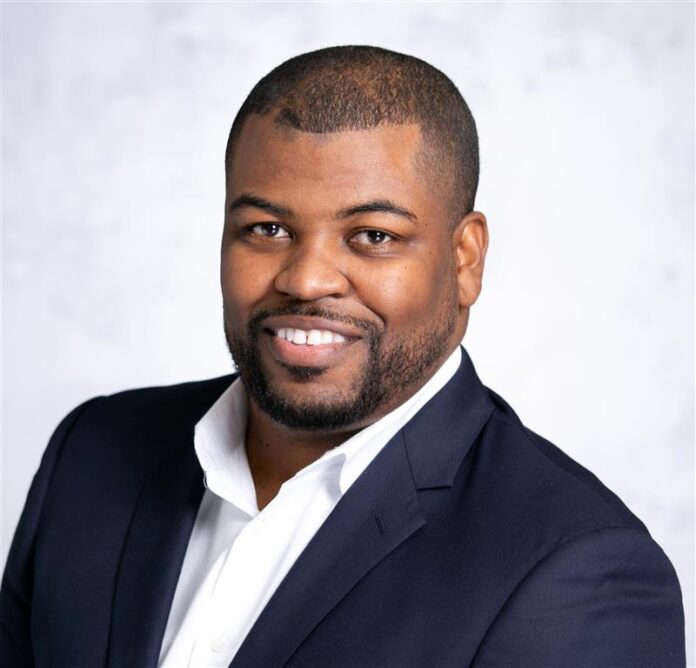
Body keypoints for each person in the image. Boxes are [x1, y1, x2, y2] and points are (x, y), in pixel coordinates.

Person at [0, 45, 685, 668]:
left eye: (373, 236)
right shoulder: (91, 454)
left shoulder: (578, 573)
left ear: (465, 259)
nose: (305, 280)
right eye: (267, 228)